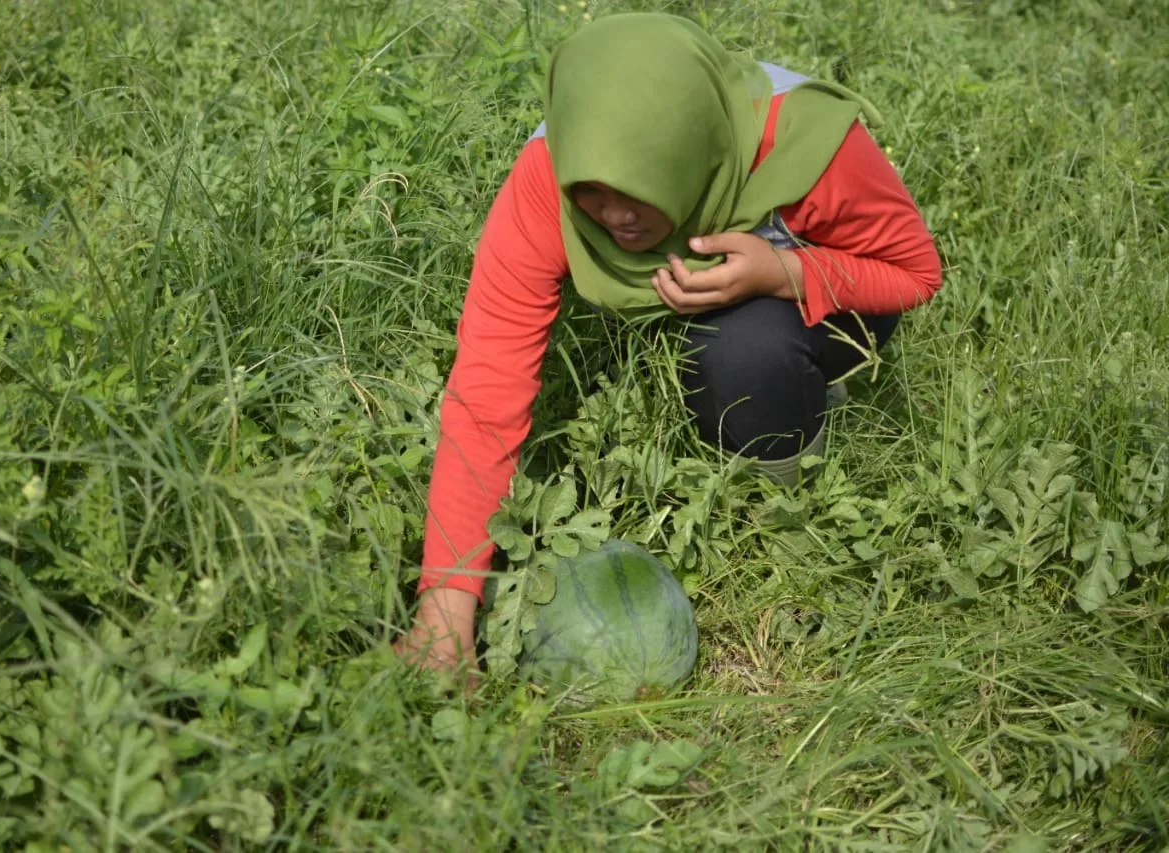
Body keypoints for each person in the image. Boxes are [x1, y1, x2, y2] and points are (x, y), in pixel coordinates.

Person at [393, 13, 942, 679]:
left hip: (831, 295)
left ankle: (782, 499)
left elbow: (916, 274)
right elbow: (488, 383)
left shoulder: (809, 143)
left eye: (639, 188)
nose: (614, 215)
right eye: (591, 190)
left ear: (689, 153)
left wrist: (781, 272)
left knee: (741, 354)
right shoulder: (549, 172)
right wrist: (444, 611)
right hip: (704, 296)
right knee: (707, 341)